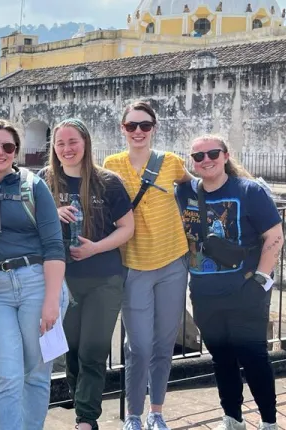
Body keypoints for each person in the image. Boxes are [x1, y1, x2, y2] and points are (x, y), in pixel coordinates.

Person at [0, 118, 69, 430]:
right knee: (5, 375)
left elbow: (54, 246)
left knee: (36, 373)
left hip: (37, 283)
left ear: (16, 151)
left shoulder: (34, 187)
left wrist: (51, 301)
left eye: (7, 146)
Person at [175, 135, 282, 430]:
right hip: (204, 294)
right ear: (192, 162)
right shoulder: (185, 193)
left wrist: (260, 279)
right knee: (221, 359)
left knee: (254, 357)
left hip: (244, 290)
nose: (206, 160)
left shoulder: (249, 191)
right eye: (198, 156)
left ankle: (269, 421)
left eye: (212, 153)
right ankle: (232, 418)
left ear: (225, 155)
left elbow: (274, 236)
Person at [38, 118, 135, 430]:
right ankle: (82, 400)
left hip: (104, 278)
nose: (67, 149)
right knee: (71, 351)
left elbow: (127, 228)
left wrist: (96, 248)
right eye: (60, 143)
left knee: (93, 349)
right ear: (53, 147)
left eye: (73, 142)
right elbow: (28, 224)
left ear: (85, 144)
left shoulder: (108, 182)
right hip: (61, 282)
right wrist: (51, 213)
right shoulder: (43, 181)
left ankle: (86, 419)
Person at [103, 100, 192, 430]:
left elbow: (194, 185)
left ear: (154, 128)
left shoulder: (171, 162)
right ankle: (134, 414)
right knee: (138, 346)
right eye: (131, 126)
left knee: (164, 342)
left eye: (144, 125)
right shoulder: (112, 164)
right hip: (134, 264)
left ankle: (156, 411)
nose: (138, 131)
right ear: (122, 129)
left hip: (172, 261)